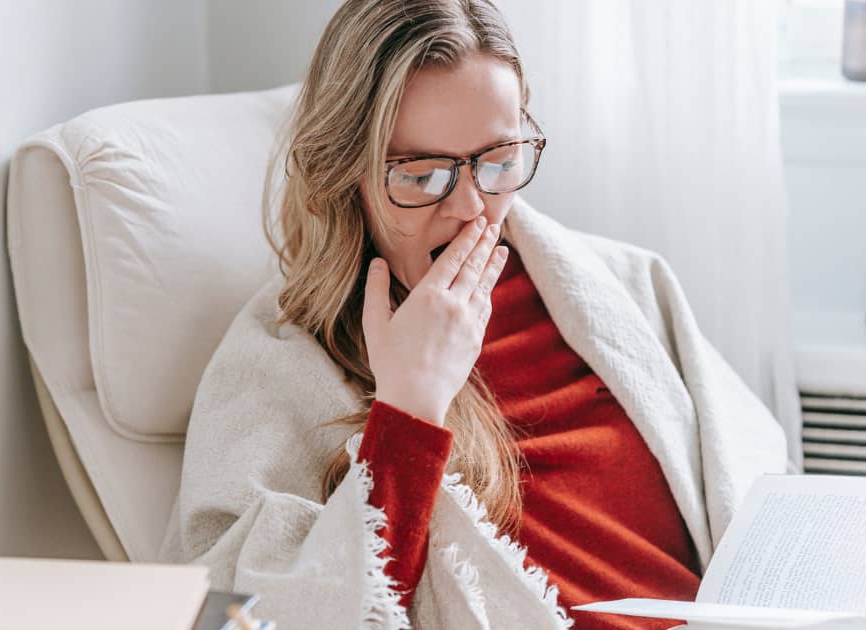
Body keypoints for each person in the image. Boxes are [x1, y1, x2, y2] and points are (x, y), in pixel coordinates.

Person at [157, 1, 788, 628]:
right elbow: (244, 613)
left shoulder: (626, 285)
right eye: (422, 173)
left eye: (498, 162)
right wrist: (409, 406)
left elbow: (760, 485)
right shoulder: (280, 358)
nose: (472, 210)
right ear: (342, 172)